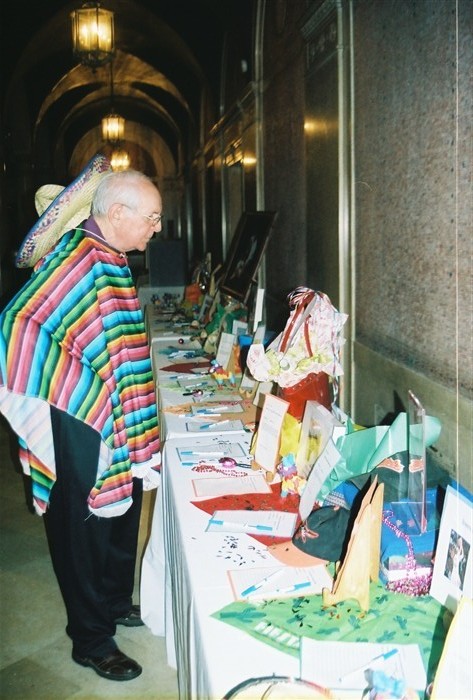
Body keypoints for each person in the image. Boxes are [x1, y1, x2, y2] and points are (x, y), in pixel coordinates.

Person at [0, 154, 163, 681]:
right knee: (83, 522)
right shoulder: (77, 257)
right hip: (82, 415)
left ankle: (113, 601)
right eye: (151, 217)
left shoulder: (111, 255)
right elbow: (17, 322)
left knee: (123, 502)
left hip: (120, 411)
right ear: (117, 212)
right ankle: (91, 639)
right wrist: (77, 384)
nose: (157, 227)